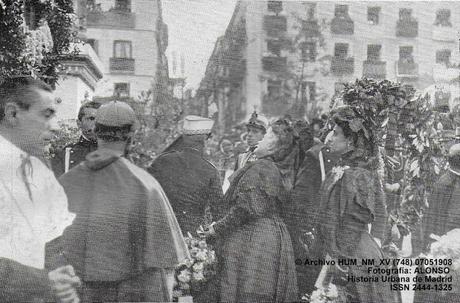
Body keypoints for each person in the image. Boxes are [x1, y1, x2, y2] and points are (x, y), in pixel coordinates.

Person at [48, 101, 189, 302]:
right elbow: (166, 266)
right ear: (131, 136)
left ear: (96, 132)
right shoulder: (146, 186)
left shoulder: (66, 182)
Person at [0, 77, 80, 302]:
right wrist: (41, 282)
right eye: (47, 115)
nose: (55, 127)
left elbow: (52, 242)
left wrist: (63, 281)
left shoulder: (41, 173)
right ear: (13, 114)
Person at [201, 119, 299, 303]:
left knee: (249, 287)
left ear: (273, 145)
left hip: (255, 237)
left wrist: (217, 228)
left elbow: (244, 210)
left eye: (266, 136)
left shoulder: (263, 168)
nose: (259, 141)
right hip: (269, 235)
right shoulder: (273, 167)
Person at [313, 105, 395, 303]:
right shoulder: (345, 168)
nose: (329, 137)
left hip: (349, 254)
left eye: (336, 133)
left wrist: (338, 259)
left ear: (350, 141)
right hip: (338, 249)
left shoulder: (357, 174)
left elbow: (353, 224)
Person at [288, 124, 341, 295]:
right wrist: (306, 229)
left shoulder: (361, 161)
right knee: (312, 283)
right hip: (317, 232)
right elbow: (301, 197)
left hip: (340, 236)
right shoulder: (317, 156)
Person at [148, 115, 223, 234]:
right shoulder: (211, 171)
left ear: (183, 138)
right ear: (204, 141)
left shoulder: (162, 160)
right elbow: (219, 211)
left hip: (160, 229)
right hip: (191, 234)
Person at [51, 101, 101, 177]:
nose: (97, 124)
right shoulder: (64, 154)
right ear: (79, 123)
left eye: (101, 119)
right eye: (91, 118)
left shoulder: (115, 154)